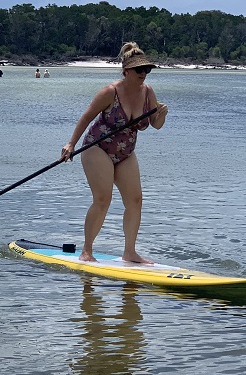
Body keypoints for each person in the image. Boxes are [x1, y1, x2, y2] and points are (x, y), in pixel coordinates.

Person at [61, 42, 168, 264]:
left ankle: (130, 252)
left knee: (136, 200)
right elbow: (86, 117)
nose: (144, 74)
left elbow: (155, 125)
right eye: (139, 70)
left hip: (126, 152)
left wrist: (162, 114)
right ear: (126, 71)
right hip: (97, 148)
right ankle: (87, 251)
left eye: (147, 70)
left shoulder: (148, 92)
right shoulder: (110, 92)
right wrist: (71, 144)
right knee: (103, 199)